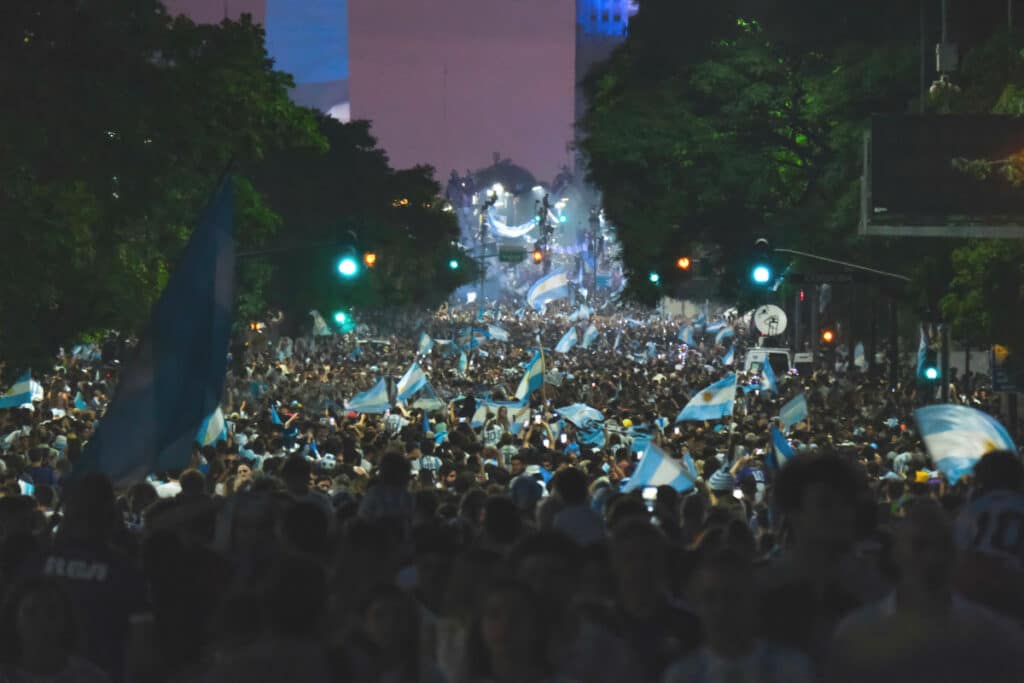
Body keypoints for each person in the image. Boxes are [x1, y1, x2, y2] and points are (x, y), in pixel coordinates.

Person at [830, 499, 1024, 682]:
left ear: (956, 554)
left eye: (943, 545)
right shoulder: (856, 635)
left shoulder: (996, 636)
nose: (933, 557)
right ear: (896, 552)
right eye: (920, 545)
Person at [662, 549, 812, 683]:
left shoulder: (790, 669)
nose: (721, 608)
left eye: (732, 596)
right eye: (710, 597)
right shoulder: (682, 676)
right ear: (696, 604)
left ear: (753, 599)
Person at [0, 578, 111, 682]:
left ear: (66, 619)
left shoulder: (91, 678)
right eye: (31, 612)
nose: (42, 622)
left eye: (51, 612)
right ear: (13, 618)